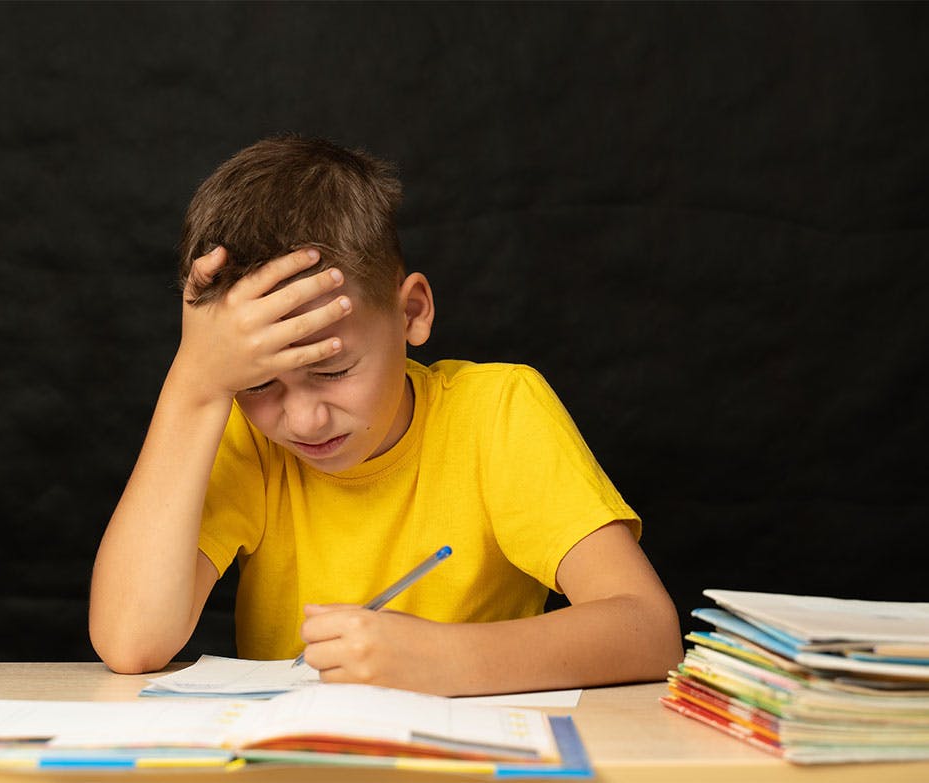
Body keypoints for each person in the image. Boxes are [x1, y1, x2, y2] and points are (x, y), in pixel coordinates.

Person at [89, 135, 683, 696]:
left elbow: (650, 632)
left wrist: (446, 661)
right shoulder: (241, 430)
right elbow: (130, 641)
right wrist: (194, 383)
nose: (303, 420)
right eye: (257, 382)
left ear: (412, 313)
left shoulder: (497, 412)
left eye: (333, 370)